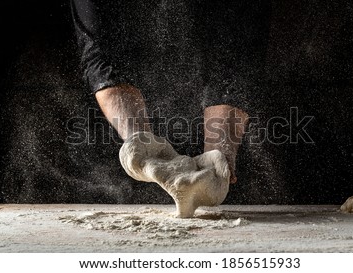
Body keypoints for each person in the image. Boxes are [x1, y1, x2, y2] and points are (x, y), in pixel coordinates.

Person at [70, 0, 269, 184]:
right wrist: (140, 141)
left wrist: (220, 150)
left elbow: (236, 56)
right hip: (117, 142)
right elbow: (101, 56)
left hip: (227, 144)